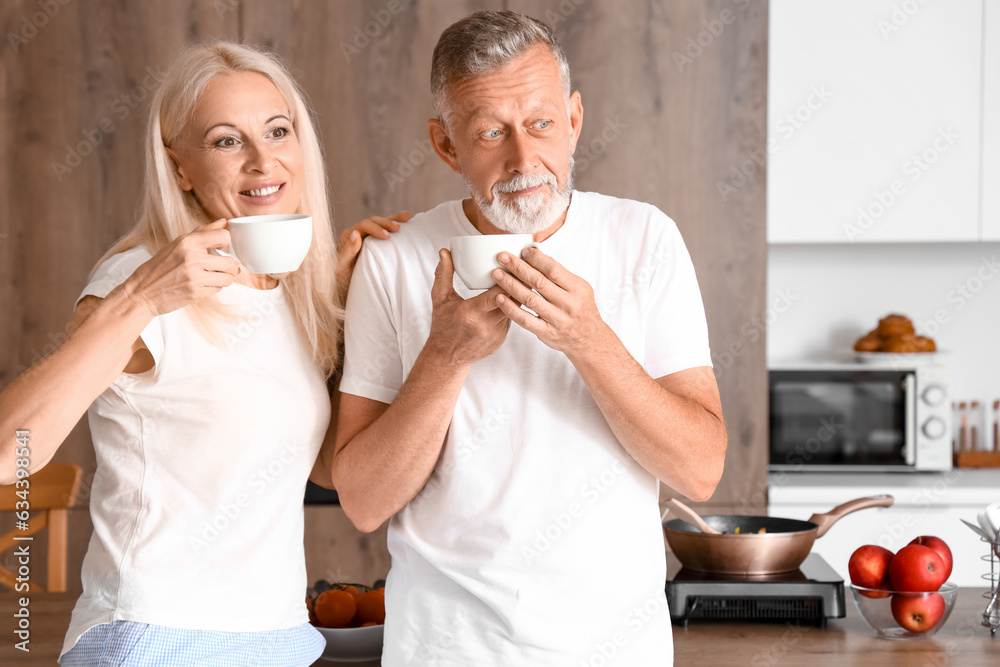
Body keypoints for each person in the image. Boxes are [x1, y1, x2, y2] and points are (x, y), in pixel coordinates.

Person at [325, 9, 728, 666]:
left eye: (541, 123)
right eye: (490, 132)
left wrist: (589, 339)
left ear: (573, 120)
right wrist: (445, 354)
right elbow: (365, 502)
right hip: (443, 647)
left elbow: (700, 469)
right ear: (447, 145)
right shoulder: (394, 258)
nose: (523, 158)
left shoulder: (644, 238)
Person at [0, 42, 407, 666]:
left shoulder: (290, 288)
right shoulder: (139, 277)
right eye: (225, 140)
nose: (263, 160)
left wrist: (353, 318)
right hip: (153, 637)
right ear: (179, 167)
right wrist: (141, 297)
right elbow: (9, 454)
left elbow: (322, 469)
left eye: (278, 131)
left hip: (278, 638)